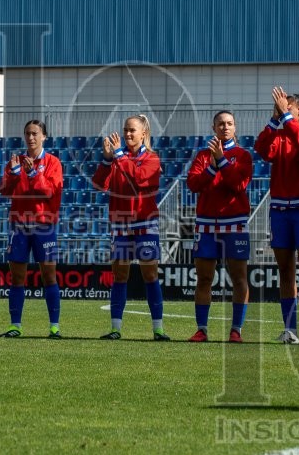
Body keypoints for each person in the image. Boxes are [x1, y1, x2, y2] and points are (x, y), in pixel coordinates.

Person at [254, 88, 299, 344]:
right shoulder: (281, 134)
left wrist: (283, 117)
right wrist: (275, 119)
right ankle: (290, 329)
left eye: (288, 107)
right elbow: (262, 149)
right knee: (285, 270)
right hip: (280, 210)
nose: (282, 109)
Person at [92, 115, 169, 341]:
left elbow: (139, 179)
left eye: (132, 130)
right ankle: (116, 329)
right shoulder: (117, 158)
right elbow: (98, 185)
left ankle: (158, 329)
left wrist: (117, 156)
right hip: (121, 224)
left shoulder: (152, 158)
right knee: (120, 275)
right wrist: (107, 160)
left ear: (143, 133)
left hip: (145, 223)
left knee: (150, 274)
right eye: (125, 129)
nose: (127, 134)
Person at [185, 111, 253, 343]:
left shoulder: (243, 155)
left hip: (234, 223)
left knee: (239, 278)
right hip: (205, 225)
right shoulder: (203, 156)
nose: (225, 127)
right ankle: (201, 329)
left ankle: (236, 330)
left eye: (230, 124)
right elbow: (192, 184)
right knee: (204, 278)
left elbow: (238, 184)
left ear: (235, 128)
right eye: (221, 124)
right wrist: (212, 167)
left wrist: (221, 161)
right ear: (214, 128)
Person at [0, 120, 63, 338]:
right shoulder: (15, 162)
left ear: (44, 136)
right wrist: (15, 174)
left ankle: (54, 327)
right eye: (27, 133)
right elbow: (4, 190)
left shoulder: (53, 163)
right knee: (17, 277)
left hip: (45, 226)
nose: (31, 137)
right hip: (20, 226)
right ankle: (15, 325)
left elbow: (49, 192)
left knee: (49, 276)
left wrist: (33, 173)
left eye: (35, 133)